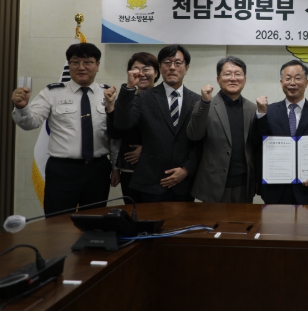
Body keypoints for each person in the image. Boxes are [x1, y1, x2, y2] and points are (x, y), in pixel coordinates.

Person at [11, 43, 119, 214]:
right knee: (57, 222)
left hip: (97, 170)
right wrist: (22, 107)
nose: (81, 67)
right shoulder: (52, 93)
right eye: (75, 62)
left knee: (95, 221)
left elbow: (114, 136)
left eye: (87, 62)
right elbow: (30, 123)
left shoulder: (108, 94)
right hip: (62, 170)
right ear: (69, 64)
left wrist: (115, 167)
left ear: (97, 65)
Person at [114, 44, 201, 203]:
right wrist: (129, 88)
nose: (172, 67)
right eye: (167, 62)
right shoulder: (143, 98)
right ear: (160, 67)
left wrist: (187, 169)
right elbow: (122, 124)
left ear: (186, 68)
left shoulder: (197, 101)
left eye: (178, 63)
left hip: (184, 184)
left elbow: (201, 142)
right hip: (151, 183)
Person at [253, 60, 308, 205]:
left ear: (306, 82)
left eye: (298, 78)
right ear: (281, 82)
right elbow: (257, 144)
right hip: (276, 190)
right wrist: (261, 113)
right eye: (288, 78)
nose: (292, 83)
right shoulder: (268, 111)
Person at [187, 56, 258, 203]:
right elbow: (194, 135)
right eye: (227, 74)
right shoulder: (206, 105)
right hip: (214, 184)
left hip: (244, 185)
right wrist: (204, 103)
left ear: (244, 79)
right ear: (218, 79)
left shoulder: (252, 108)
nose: (233, 78)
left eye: (238, 74)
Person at [105, 52, 160, 203]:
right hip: (129, 168)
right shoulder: (125, 99)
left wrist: (146, 149)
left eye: (146, 69)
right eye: (136, 69)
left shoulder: (164, 100)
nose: (141, 73)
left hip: (156, 168)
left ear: (156, 73)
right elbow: (115, 135)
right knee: (132, 210)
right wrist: (110, 106)